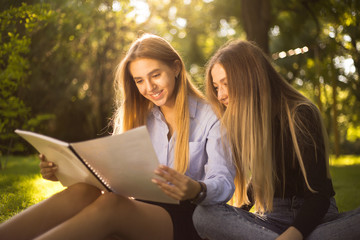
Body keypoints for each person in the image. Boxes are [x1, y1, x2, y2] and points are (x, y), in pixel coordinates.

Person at [0, 33, 235, 240]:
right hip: (139, 209)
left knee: (112, 205)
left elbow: (224, 182)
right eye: (139, 80)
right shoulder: (137, 114)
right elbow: (111, 179)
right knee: (84, 192)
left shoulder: (211, 116)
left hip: (188, 218)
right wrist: (61, 170)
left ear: (175, 68)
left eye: (155, 75)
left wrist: (196, 188)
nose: (149, 87)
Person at [193, 40, 360, 240]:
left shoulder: (300, 114)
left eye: (226, 84)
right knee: (204, 214)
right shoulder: (245, 122)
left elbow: (319, 196)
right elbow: (260, 179)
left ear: (251, 76)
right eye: (216, 87)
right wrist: (238, 217)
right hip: (269, 221)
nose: (220, 95)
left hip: (315, 221)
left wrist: (292, 235)